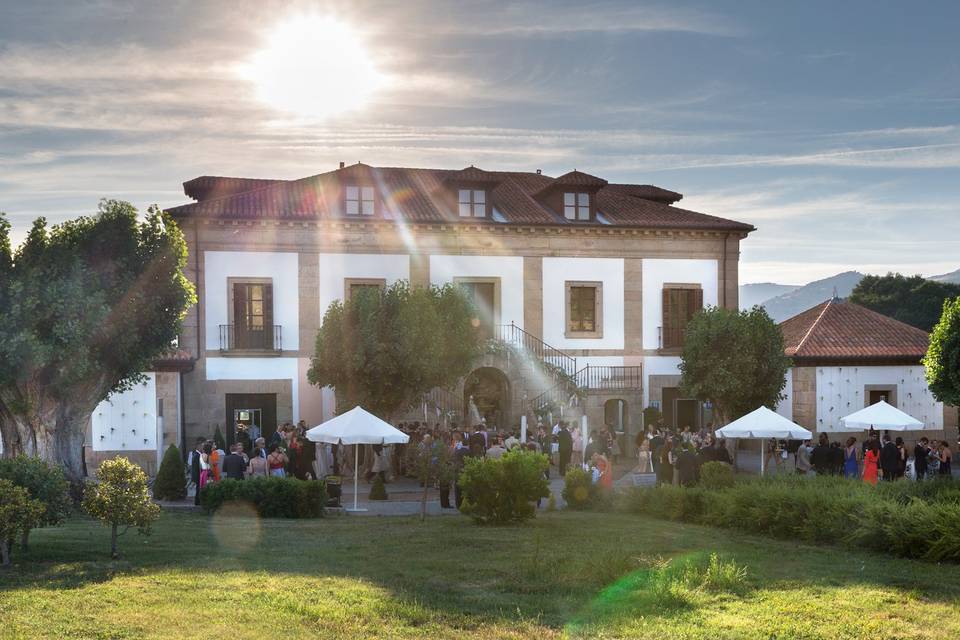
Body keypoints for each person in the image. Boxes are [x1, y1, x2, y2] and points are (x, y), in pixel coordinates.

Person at [189, 437, 205, 505]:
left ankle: (198, 501)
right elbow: (195, 468)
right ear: (199, 446)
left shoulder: (198, 454)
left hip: (199, 474)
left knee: (199, 489)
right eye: (202, 446)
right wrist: (195, 478)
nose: (203, 448)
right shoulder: (196, 455)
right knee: (198, 489)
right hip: (198, 475)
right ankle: (197, 501)